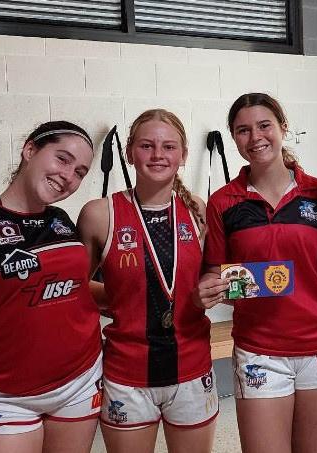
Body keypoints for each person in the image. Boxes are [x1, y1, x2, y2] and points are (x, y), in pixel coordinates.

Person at [195, 93, 317, 453]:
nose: (255, 137)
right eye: (243, 130)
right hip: (260, 351)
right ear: (233, 137)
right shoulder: (224, 201)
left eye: (264, 126)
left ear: (282, 127)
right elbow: (216, 271)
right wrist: (212, 287)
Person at [78, 109, 217, 453]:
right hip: (127, 373)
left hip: (192, 367)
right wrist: (121, 298)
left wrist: (211, 289)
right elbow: (75, 288)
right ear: (129, 152)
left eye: (169, 147)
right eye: (146, 145)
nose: (158, 155)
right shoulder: (99, 213)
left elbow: (203, 278)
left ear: (183, 156)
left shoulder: (197, 209)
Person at [0, 122, 103, 453]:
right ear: (30, 150)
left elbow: (75, 287)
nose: (69, 175)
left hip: (80, 382)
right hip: (4, 393)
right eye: (62, 158)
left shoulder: (61, 220)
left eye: (80, 171)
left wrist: (133, 294)